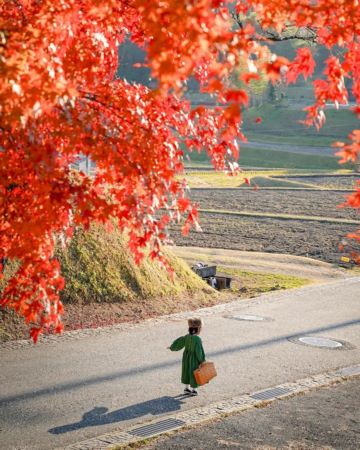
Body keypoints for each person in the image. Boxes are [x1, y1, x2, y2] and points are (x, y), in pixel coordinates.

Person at [169, 317, 206, 396]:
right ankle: (194, 390)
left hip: (186, 358)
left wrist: (172, 347)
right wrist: (202, 360)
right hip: (194, 359)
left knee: (186, 371)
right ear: (199, 328)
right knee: (194, 373)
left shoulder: (186, 336)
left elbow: (179, 343)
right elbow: (199, 351)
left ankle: (186, 388)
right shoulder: (197, 339)